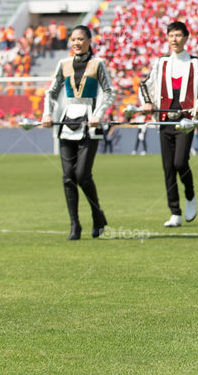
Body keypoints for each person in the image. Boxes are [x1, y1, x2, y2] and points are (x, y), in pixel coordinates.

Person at [42, 25, 115, 240]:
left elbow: (109, 91)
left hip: (89, 125)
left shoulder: (97, 64)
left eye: (81, 39)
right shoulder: (63, 64)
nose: (77, 43)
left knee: (82, 175)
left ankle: (97, 213)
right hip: (67, 123)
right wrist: (47, 114)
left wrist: (98, 114)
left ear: (89, 41)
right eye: (73, 39)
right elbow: (51, 92)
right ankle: (75, 224)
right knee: (67, 177)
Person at [140, 21, 198, 228]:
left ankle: (190, 193)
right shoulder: (160, 63)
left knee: (180, 162)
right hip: (164, 121)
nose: (174, 39)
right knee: (168, 168)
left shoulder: (197, 64)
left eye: (178, 35)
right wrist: (148, 102)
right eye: (171, 35)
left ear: (186, 38)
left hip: (186, 121)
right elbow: (145, 84)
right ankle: (174, 211)